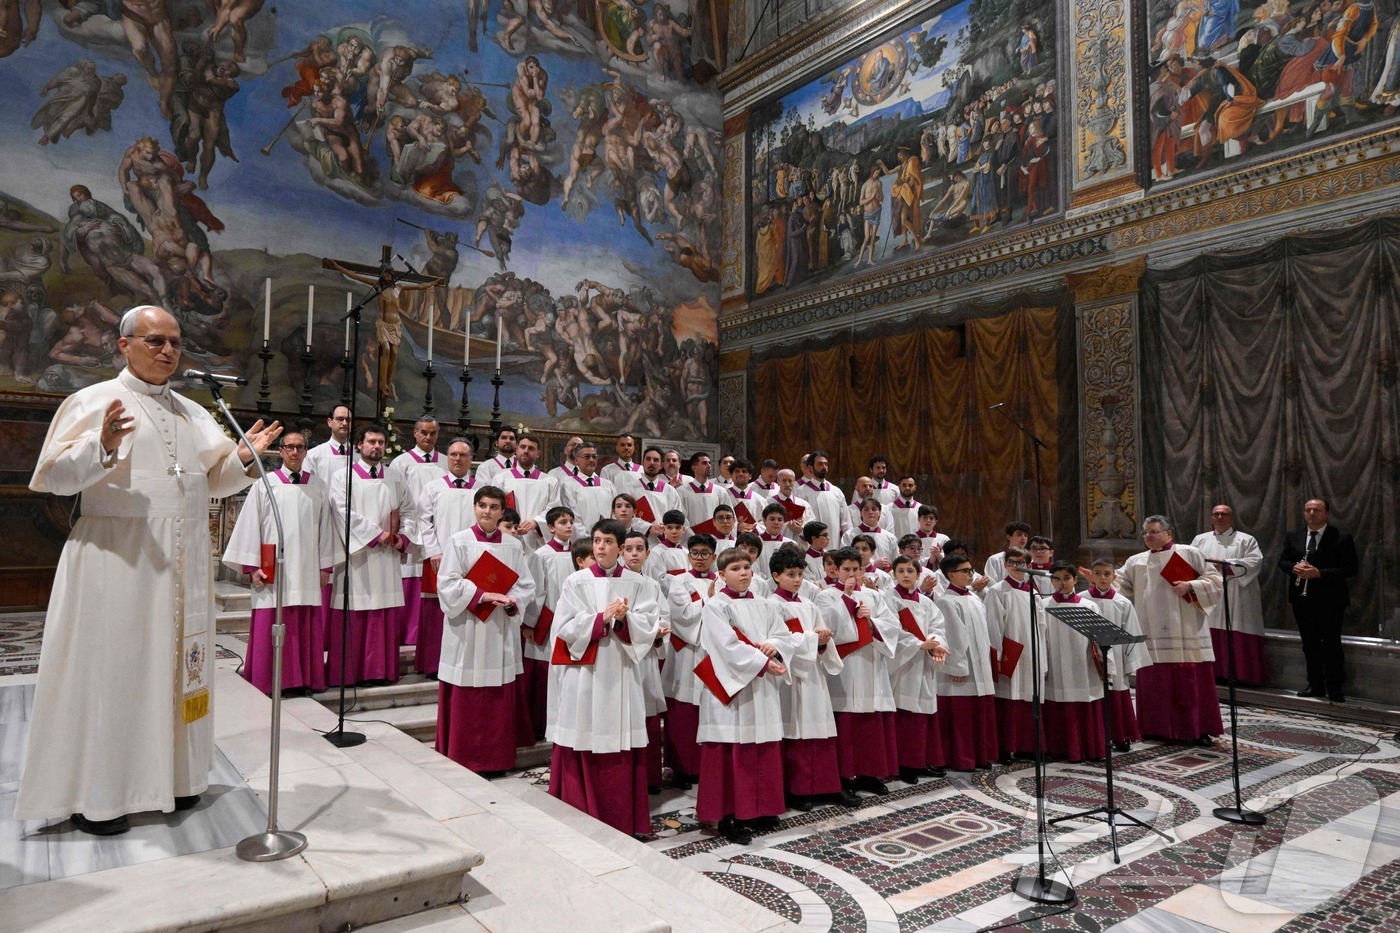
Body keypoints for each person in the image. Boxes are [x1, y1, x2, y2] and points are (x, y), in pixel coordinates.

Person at [18, 304, 280, 834]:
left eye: (176, 342)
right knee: (113, 673)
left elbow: (209, 480)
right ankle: (101, 796)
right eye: (155, 340)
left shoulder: (190, 410)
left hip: (182, 563)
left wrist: (246, 462)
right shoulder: (91, 402)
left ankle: (177, 779)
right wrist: (103, 445)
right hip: (117, 560)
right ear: (123, 345)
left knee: (176, 669)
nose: (167, 351)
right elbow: (55, 478)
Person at [548, 519, 661, 836]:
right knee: (584, 735)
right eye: (596, 540)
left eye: (608, 541)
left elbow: (649, 626)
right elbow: (565, 628)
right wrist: (602, 618)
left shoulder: (640, 585)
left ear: (621, 547)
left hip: (623, 672)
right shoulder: (576, 581)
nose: (600, 547)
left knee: (621, 741)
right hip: (585, 673)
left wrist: (627, 621)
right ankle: (581, 812)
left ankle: (622, 817)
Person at [695, 547, 798, 844]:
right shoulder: (716, 605)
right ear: (722, 574)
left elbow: (783, 635)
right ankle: (728, 815)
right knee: (731, 752)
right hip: (731, 688)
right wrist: (763, 661)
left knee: (761, 748)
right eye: (735, 568)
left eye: (746, 567)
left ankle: (761, 808)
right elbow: (724, 646)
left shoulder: (766, 604)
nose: (743, 573)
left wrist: (772, 646)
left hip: (761, 685)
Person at [222, 431, 332, 696]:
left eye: (300, 447)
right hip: (273, 570)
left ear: (306, 452)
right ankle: (267, 679)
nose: (295, 452)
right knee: (272, 620)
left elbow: (326, 528)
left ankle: (304, 680)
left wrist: (325, 565)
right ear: (281, 451)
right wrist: (251, 566)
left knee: (302, 623)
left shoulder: (317, 485)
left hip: (306, 569)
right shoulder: (266, 484)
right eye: (289, 447)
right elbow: (249, 525)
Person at [436, 485, 536, 775]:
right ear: (475, 507)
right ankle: (462, 756)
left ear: (502, 512)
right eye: (483, 506)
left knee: (497, 694)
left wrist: (512, 600)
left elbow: (526, 585)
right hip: (466, 628)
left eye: (494, 507)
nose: (488, 512)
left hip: (498, 627)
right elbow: (448, 583)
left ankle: (496, 759)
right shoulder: (459, 541)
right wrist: (482, 595)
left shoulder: (513, 545)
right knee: (467, 691)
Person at [1117, 515, 1222, 745]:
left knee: (1188, 681)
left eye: (1153, 531)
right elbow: (1120, 584)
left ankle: (1196, 729)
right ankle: (1155, 728)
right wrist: (1099, 581)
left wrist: (1190, 585)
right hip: (1151, 628)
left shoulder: (1188, 553)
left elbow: (1215, 579)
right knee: (1156, 681)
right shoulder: (1136, 561)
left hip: (1186, 628)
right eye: (1145, 532)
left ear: (1169, 533)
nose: (1148, 536)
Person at [769, 546, 858, 811]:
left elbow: (822, 643)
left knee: (821, 729)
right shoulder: (771, 605)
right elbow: (778, 642)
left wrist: (822, 641)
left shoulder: (808, 604)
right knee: (796, 730)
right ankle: (797, 789)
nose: (797, 580)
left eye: (800, 574)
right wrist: (812, 639)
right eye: (790, 574)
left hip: (815, 675)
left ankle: (828, 786)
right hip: (790, 677)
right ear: (776, 576)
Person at [326, 424, 408, 687]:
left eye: (381, 442)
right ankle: (350, 673)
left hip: (388, 558)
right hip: (357, 558)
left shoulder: (395, 477)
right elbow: (342, 511)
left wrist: (402, 537)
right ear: (359, 445)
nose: (377, 447)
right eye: (371, 441)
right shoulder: (342, 477)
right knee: (355, 610)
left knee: (383, 612)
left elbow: (409, 511)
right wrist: (376, 535)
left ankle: (381, 671)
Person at [819, 546, 901, 796]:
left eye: (856, 569)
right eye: (846, 570)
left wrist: (871, 622)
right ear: (836, 569)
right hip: (845, 668)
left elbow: (892, 625)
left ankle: (869, 774)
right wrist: (845, 601)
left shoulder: (874, 596)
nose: (852, 574)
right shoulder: (826, 596)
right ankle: (845, 777)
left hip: (871, 665)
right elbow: (825, 628)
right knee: (847, 725)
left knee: (869, 725)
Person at [1277, 498, 1358, 702]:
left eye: (1316, 510)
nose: (1311, 513)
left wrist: (1319, 573)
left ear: (1326, 513)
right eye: (1308, 510)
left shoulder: (1341, 537)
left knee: (1331, 643)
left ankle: (1335, 687)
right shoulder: (1293, 536)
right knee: (1309, 644)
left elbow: (1351, 568)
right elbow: (1283, 561)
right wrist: (1293, 568)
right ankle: (1315, 684)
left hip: (1331, 600)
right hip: (1301, 599)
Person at [416, 438, 479, 677]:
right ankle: (434, 664)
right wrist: (433, 550)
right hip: (439, 557)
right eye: (453, 454)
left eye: (463, 455)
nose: (457, 459)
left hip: (473, 559)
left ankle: (464, 662)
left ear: (471, 458)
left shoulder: (480, 488)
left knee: (469, 607)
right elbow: (424, 521)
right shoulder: (434, 487)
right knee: (436, 611)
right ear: (447, 458)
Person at [660, 533, 718, 788]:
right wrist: (710, 599)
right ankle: (683, 768)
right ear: (688, 555)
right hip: (688, 654)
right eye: (695, 553)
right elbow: (681, 617)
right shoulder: (679, 581)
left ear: (714, 556)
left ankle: (707, 766)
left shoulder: (724, 580)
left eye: (705, 553)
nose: (699, 558)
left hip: (715, 654)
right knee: (684, 715)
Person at [885, 555, 950, 784]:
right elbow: (890, 630)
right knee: (905, 716)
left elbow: (938, 626)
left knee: (924, 715)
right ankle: (904, 765)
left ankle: (921, 760)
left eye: (910, 571)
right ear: (893, 574)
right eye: (900, 571)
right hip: (903, 666)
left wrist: (935, 643)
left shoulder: (926, 602)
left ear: (917, 574)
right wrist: (917, 644)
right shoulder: (889, 599)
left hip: (923, 664)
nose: (905, 575)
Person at [934, 554, 998, 770]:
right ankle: (962, 758)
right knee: (962, 718)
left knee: (978, 715)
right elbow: (953, 637)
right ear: (951, 575)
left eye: (971, 570)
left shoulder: (973, 598)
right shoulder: (946, 601)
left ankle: (980, 756)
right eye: (966, 571)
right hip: (961, 671)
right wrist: (958, 666)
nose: (971, 574)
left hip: (980, 666)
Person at [387, 415, 447, 649]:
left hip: (438, 533)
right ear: (415, 433)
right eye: (424, 432)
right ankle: (408, 636)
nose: (428, 437)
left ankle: (427, 637)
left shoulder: (446, 461)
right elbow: (395, 501)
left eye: (432, 433)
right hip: (411, 531)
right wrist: (400, 534)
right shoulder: (400, 463)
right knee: (410, 584)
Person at [1191, 504, 1268, 685]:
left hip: (1237, 592)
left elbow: (1254, 562)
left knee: (1237, 627)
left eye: (1224, 514)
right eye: (1216, 514)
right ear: (1211, 517)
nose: (1219, 517)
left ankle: (1241, 675)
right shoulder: (1200, 540)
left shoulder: (1246, 540)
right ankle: (1213, 673)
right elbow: (1190, 562)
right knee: (1210, 628)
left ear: (1231, 518)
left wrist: (1226, 564)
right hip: (1208, 591)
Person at [1040, 562, 1106, 762]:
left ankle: (1089, 748)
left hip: (1083, 664)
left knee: (1085, 702)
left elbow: (1101, 639)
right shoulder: (1043, 605)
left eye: (1067, 578)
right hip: (1055, 665)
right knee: (1057, 704)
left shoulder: (1088, 605)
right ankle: (1058, 749)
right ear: (1051, 580)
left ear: (1076, 580)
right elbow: (1040, 639)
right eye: (1057, 578)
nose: (1062, 583)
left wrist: (1105, 664)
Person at [983, 546, 1043, 760]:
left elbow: (1041, 628)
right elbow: (993, 625)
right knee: (1009, 700)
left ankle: (1027, 746)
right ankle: (1006, 747)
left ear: (1029, 566)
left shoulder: (1033, 593)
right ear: (1005, 565)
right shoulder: (997, 591)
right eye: (1012, 563)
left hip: (1031, 653)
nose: (1017, 567)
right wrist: (997, 657)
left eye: (1022, 563)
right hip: (1010, 654)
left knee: (1028, 698)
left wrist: (1041, 658)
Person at [1084, 559, 1148, 752]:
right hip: (1089, 654)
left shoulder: (1122, 602)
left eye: (1106, 574)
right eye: (1098, 573)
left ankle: (1120, 734)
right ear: (1091, 575)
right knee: (1093, 692)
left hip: (1117, 654)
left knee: (1117, 691)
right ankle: (1096, 735)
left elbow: (1131, 632)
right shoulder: (1082, 599)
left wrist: (1129, 662)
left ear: (1114, 576)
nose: (1102, 578)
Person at [498, 433, 560, 553]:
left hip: (537, 539)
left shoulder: (550, 481)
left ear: (538, 454)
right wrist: (512, 525)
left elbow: (554, 509)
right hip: (509, 537)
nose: (526, 451)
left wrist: (536, 522)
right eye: (523, 447)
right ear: (516, 450)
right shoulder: (501, 478)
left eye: (531, 448)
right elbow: (497, 507)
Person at [558, 441, 616, 537]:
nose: (591, 460)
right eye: (586, 456)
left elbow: (614, 514)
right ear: (576, 461)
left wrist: (611, 535)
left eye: (594, 457)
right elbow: (573, 518)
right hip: (583, 542)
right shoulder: (568, 486)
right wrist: (587, 539)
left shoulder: (608, 485)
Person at [305, 404, 353, 478]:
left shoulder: (360, 455)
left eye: (348, 420)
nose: (344, 423)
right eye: (340, 419)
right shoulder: (314, 455)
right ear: (329, 422)